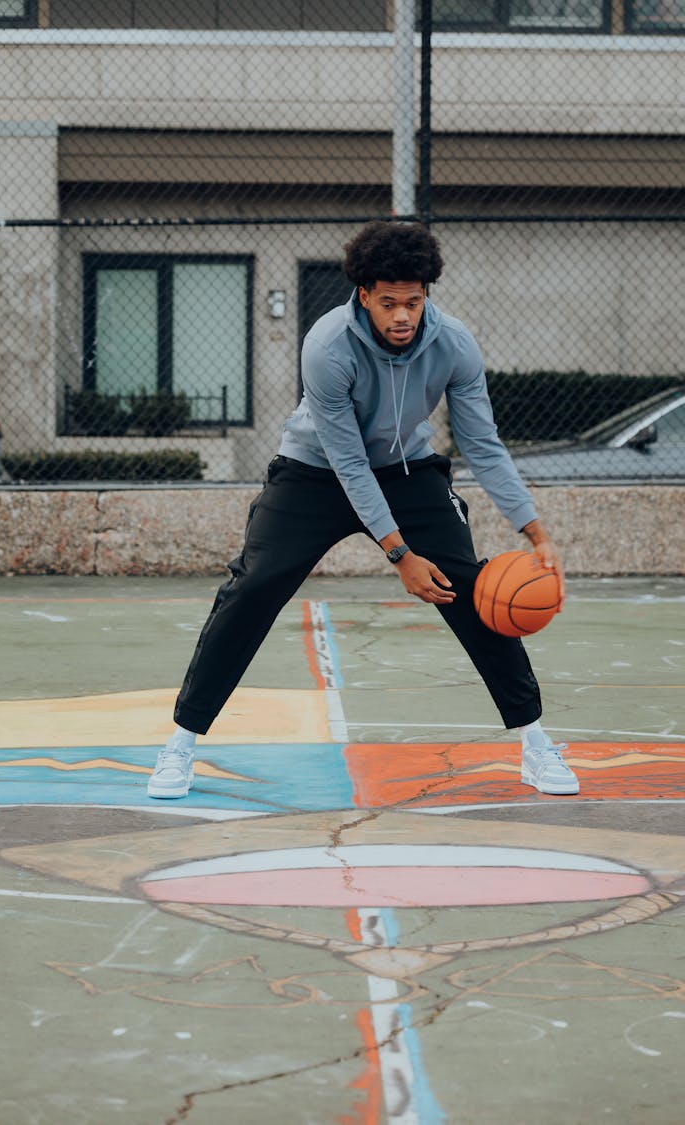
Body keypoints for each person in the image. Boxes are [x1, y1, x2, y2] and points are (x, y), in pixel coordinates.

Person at [148, 221, 579, 800]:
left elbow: (482, 444)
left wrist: (536, 532)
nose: (402, 316)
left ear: (427, 294)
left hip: (408, 472)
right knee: (251, 591)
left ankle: (534, 742)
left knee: (474, 592)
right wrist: (399, 554)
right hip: (315, 473)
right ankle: (180, 744)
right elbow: (349, 464)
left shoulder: (454, 343)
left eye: (414, 301)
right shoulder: (328, 345)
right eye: (389, 302)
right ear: (364, 295)